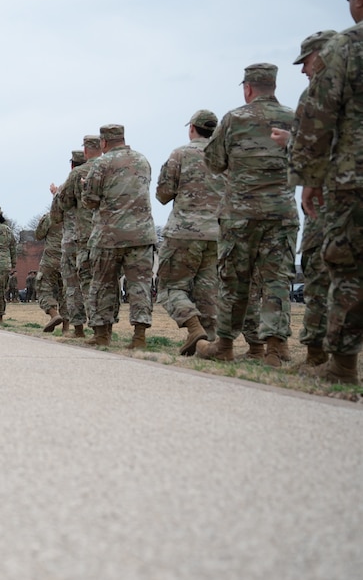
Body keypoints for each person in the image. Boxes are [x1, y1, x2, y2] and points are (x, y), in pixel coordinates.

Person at [289, 0, 363, 384]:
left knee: (346, 267)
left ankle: (342, 366)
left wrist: (310, 178)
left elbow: (319, 120)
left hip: (354, 178)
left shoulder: (349, 46)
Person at [199, 64, 297, 365]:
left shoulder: (234, 119)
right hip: (281, 212)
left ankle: (225, 346)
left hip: (240, 213)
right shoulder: (294, 119)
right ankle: (275, 348)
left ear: (248, 89)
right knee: (277, 279)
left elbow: (213, 161)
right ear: (274, 87)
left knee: (234, 280)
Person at [273, 30, 338, 367]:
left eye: (306, 61)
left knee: (318, 269)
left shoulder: (320, 92)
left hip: (331, 198)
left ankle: (319, 359)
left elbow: (319, 140)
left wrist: (290, 139)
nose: (303, 70)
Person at [154, 109, 225, 355]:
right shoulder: (226, 156)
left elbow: (163, 195)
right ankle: (208, 345)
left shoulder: (181, 154)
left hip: (183, 232)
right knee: (208, 293)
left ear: (192, 128)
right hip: (217, 233)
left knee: (170, 287)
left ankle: (194, 329)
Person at [82, 124, 157, 348]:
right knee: (140, 286)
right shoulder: (142, 160)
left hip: (109, 235)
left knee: (103, 285)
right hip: (141, 235)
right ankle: (139, 336)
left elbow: (90, 201)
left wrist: (86, 189)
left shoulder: (101, 163)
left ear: (104, 143)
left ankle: (103, 334)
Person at [54, 150, 88, 336]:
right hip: (96, 238)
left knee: (73, 286)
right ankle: (103, 329)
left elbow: (56, 216)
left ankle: (78, 328)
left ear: (72, 165)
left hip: (72, 241)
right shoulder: (102, 180)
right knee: (97, 284)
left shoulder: (66, 186)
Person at [35, 210, 65, 332]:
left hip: (50, 260)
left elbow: (38, 235)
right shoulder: (76, 215)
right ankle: (66, 328)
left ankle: (54, 314)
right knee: (67, 292)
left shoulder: (51, 216)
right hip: (69, 259)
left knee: (43, 288)